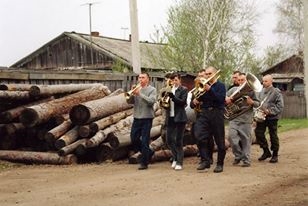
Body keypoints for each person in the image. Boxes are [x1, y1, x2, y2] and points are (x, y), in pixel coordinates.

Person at [192, 66, 226, 173]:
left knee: (219, 140)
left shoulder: (220, 86)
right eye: (206, 74)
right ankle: (205, 160)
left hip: (217, 113)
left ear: (215, 74)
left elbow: (221, 100)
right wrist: (194, 101)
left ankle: (220, 164)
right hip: (205, 113)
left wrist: (210, 90)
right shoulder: (203, 86)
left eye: (209, 74)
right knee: (199, 135)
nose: (207, 76)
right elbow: (197, 99)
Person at [225, 73, 260, 167]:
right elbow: (225, 98)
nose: (240, 82)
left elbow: (258, 104)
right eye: (239, 80)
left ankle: (246, 160)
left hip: (246, 119)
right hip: (234, 118)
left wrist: (252, 102)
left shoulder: (252, 91)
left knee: (246, 140)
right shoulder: (232, 90)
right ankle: (238, 155)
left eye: (243, 80)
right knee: (232, 138)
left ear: (246, 80)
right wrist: (227, 99)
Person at [126, 72, 157, 170]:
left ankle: (144, 163)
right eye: (139, 78)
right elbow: (129, 102)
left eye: (143, 77)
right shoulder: (136, 89)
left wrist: (140, 94)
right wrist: (131, 93)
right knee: (133, 138)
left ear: (148, 79)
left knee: (144, 141)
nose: (140, 79)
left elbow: (151, 102)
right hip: (137, 117)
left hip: (147, 118)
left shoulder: (152, 90)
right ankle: (149, 152)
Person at [255, 74, 284, 163]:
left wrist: (269, 111)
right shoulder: (261, 91)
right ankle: (266, 151)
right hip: (262, 117)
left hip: (272, 118)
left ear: (271, 81)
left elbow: (280, 106)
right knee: (258, 133)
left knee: (273, 136)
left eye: (266, 81)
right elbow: (258, 103)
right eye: (263, 81)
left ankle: (275, 154)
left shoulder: (276, 92)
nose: (263, 83)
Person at [189, 68, 214, 164]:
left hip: (209, 114)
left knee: (209, 137)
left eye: (202, 75)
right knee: (197, 136)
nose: (201, 77)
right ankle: (203, 156)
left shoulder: (210, 88)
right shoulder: (196, 89)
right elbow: (191, 105)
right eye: (199, 76)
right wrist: (194, 102)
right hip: (198, 115)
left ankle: (209, 157)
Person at [165, 72, 188, 171]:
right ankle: (175, 157)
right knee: (169, 139)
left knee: (179, 140)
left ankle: (179, 162)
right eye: (172, 80)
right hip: (170, 117)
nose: (174, 82)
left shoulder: (183, 90)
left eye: (175, 80)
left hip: (180, 117)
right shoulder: (168, 90)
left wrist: (173, 97)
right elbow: (165, 103)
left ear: (179, 80)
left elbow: (183, 102)